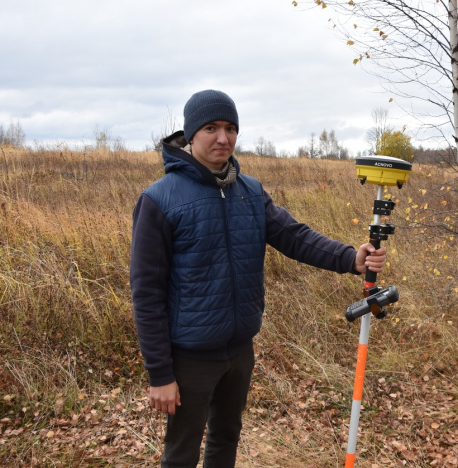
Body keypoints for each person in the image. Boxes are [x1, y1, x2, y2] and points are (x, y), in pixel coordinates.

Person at [129, 89, 387, 468]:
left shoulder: (249, 191)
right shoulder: (160, 200)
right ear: (190, 134)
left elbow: (294, 236)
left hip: (239, 349)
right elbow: (146, 294)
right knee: (181, 453)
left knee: (226, 437)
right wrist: (159, 374)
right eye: (212, 128)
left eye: (231, 128)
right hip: (189, 358)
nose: (223, 138)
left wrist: (350, 257)